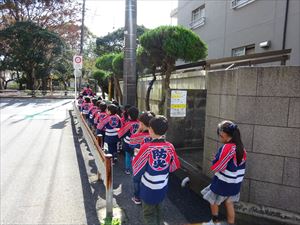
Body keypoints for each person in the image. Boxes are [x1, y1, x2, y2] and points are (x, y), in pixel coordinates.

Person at [132, 116, 180, 225]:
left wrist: (136, 156)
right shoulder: (170, 146)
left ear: (151, 130)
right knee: (159, 211)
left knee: (148, 214)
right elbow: (174, 166)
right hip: (162, 186)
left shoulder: (146, 147)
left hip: (148, 188)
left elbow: (137, 168)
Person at [201, 121, 247, 225]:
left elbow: (219, 166)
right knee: (229, 202)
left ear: (224, 134)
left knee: (212, 201)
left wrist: (214, 161)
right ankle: (231, 223)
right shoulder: (241, 148)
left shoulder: (227, 147)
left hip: (224, 182)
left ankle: (214, 222)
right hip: (236, 182)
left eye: (220, 134)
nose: (219, 136)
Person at [129, 111, 155, 205]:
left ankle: (137, 197)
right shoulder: (155, 136)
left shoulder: (139, 136)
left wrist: (139, 130)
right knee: (147, 179)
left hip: (138, 162)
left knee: (137, 180)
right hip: (151, 162)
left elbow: (131, 144)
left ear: (142, 124)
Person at [118, 106, 140, 175]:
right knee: (134, 155)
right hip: (137, 142)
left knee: (127, 155)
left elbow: (122, 133)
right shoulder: (140, 123)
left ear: (129, 115)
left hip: (128, 142)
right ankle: (134, 168)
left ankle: (127, 169)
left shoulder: (128, 124)